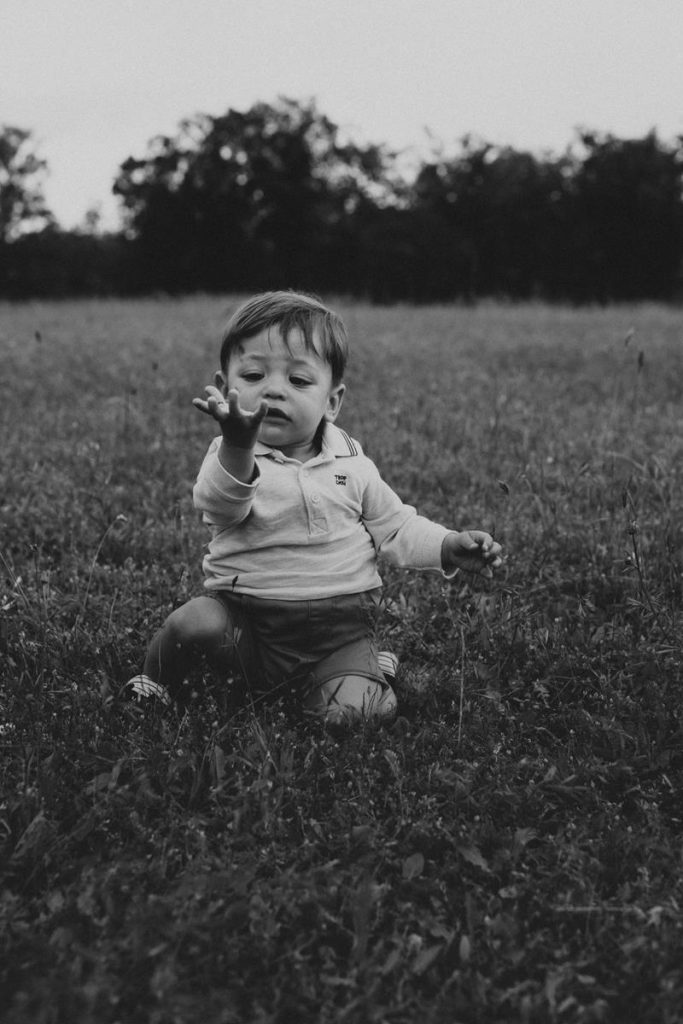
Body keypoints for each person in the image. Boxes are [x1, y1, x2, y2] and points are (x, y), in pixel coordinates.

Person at [126, 291, 502, 726]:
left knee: (355, 715)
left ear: (332, 402)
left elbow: (396, 527)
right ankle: (154, 684)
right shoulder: (230, 455)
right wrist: (236, 445)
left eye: (299, 381)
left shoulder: (351, 462)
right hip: (249, 626)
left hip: (336, 633)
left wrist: (448, 545)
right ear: (226, 385)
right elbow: (219, 508)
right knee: (195, 622)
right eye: (252, 374)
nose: (272, 389)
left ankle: (358, 667)